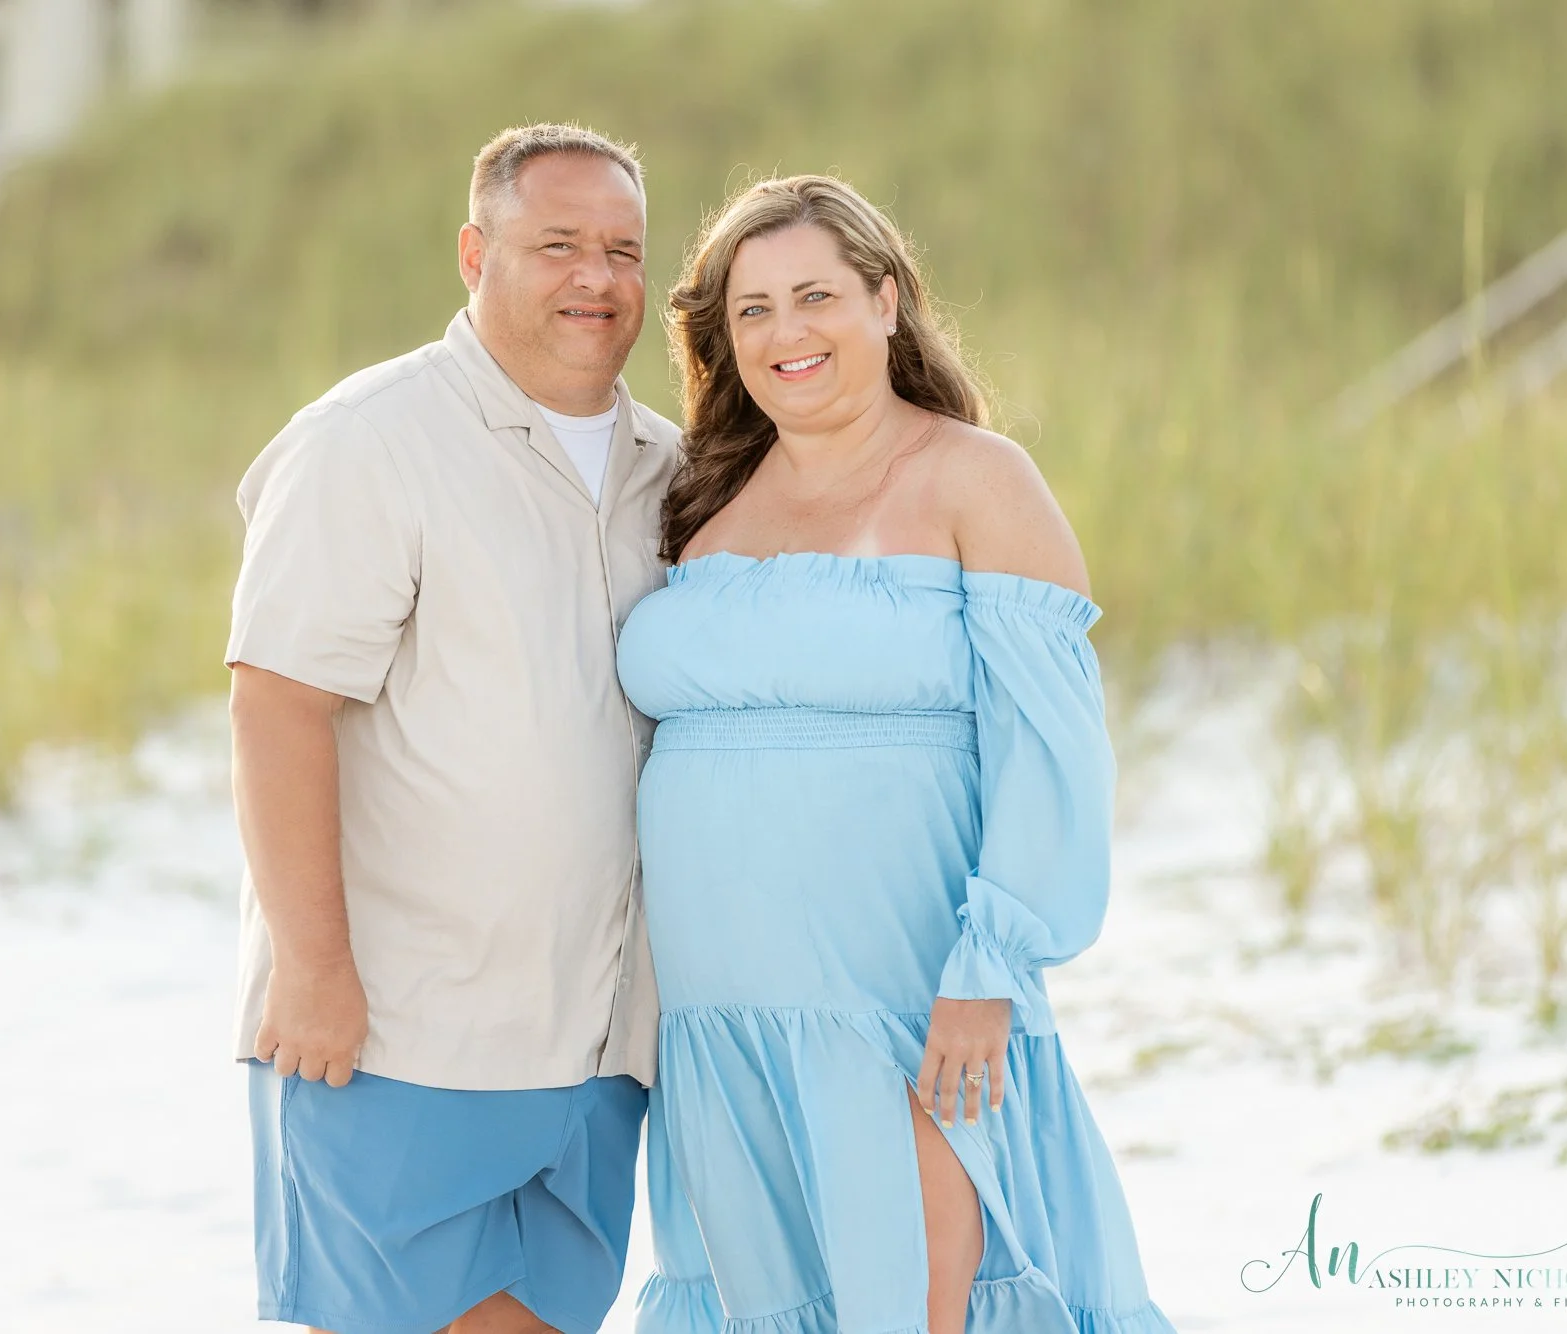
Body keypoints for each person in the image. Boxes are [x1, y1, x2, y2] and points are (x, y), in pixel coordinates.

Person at [618, 176, 1178, 1334]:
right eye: (752, 309)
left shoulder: (974, 476)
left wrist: (990, 963)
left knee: (922, 1300)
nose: (785, 331)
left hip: (906, 984)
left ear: (884, 300)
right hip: (721, 1009)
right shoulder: (698, 496)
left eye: (814, 295)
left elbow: (1051, 753)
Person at [222, 123, 681, 1334]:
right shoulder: (369, 441)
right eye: (558, 245)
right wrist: (314, 969)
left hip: (594, 1047)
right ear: (475, 255)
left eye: (623, 250)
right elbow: (276, 705)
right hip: (395, 1037)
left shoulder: (672, 470)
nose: (596, 277)